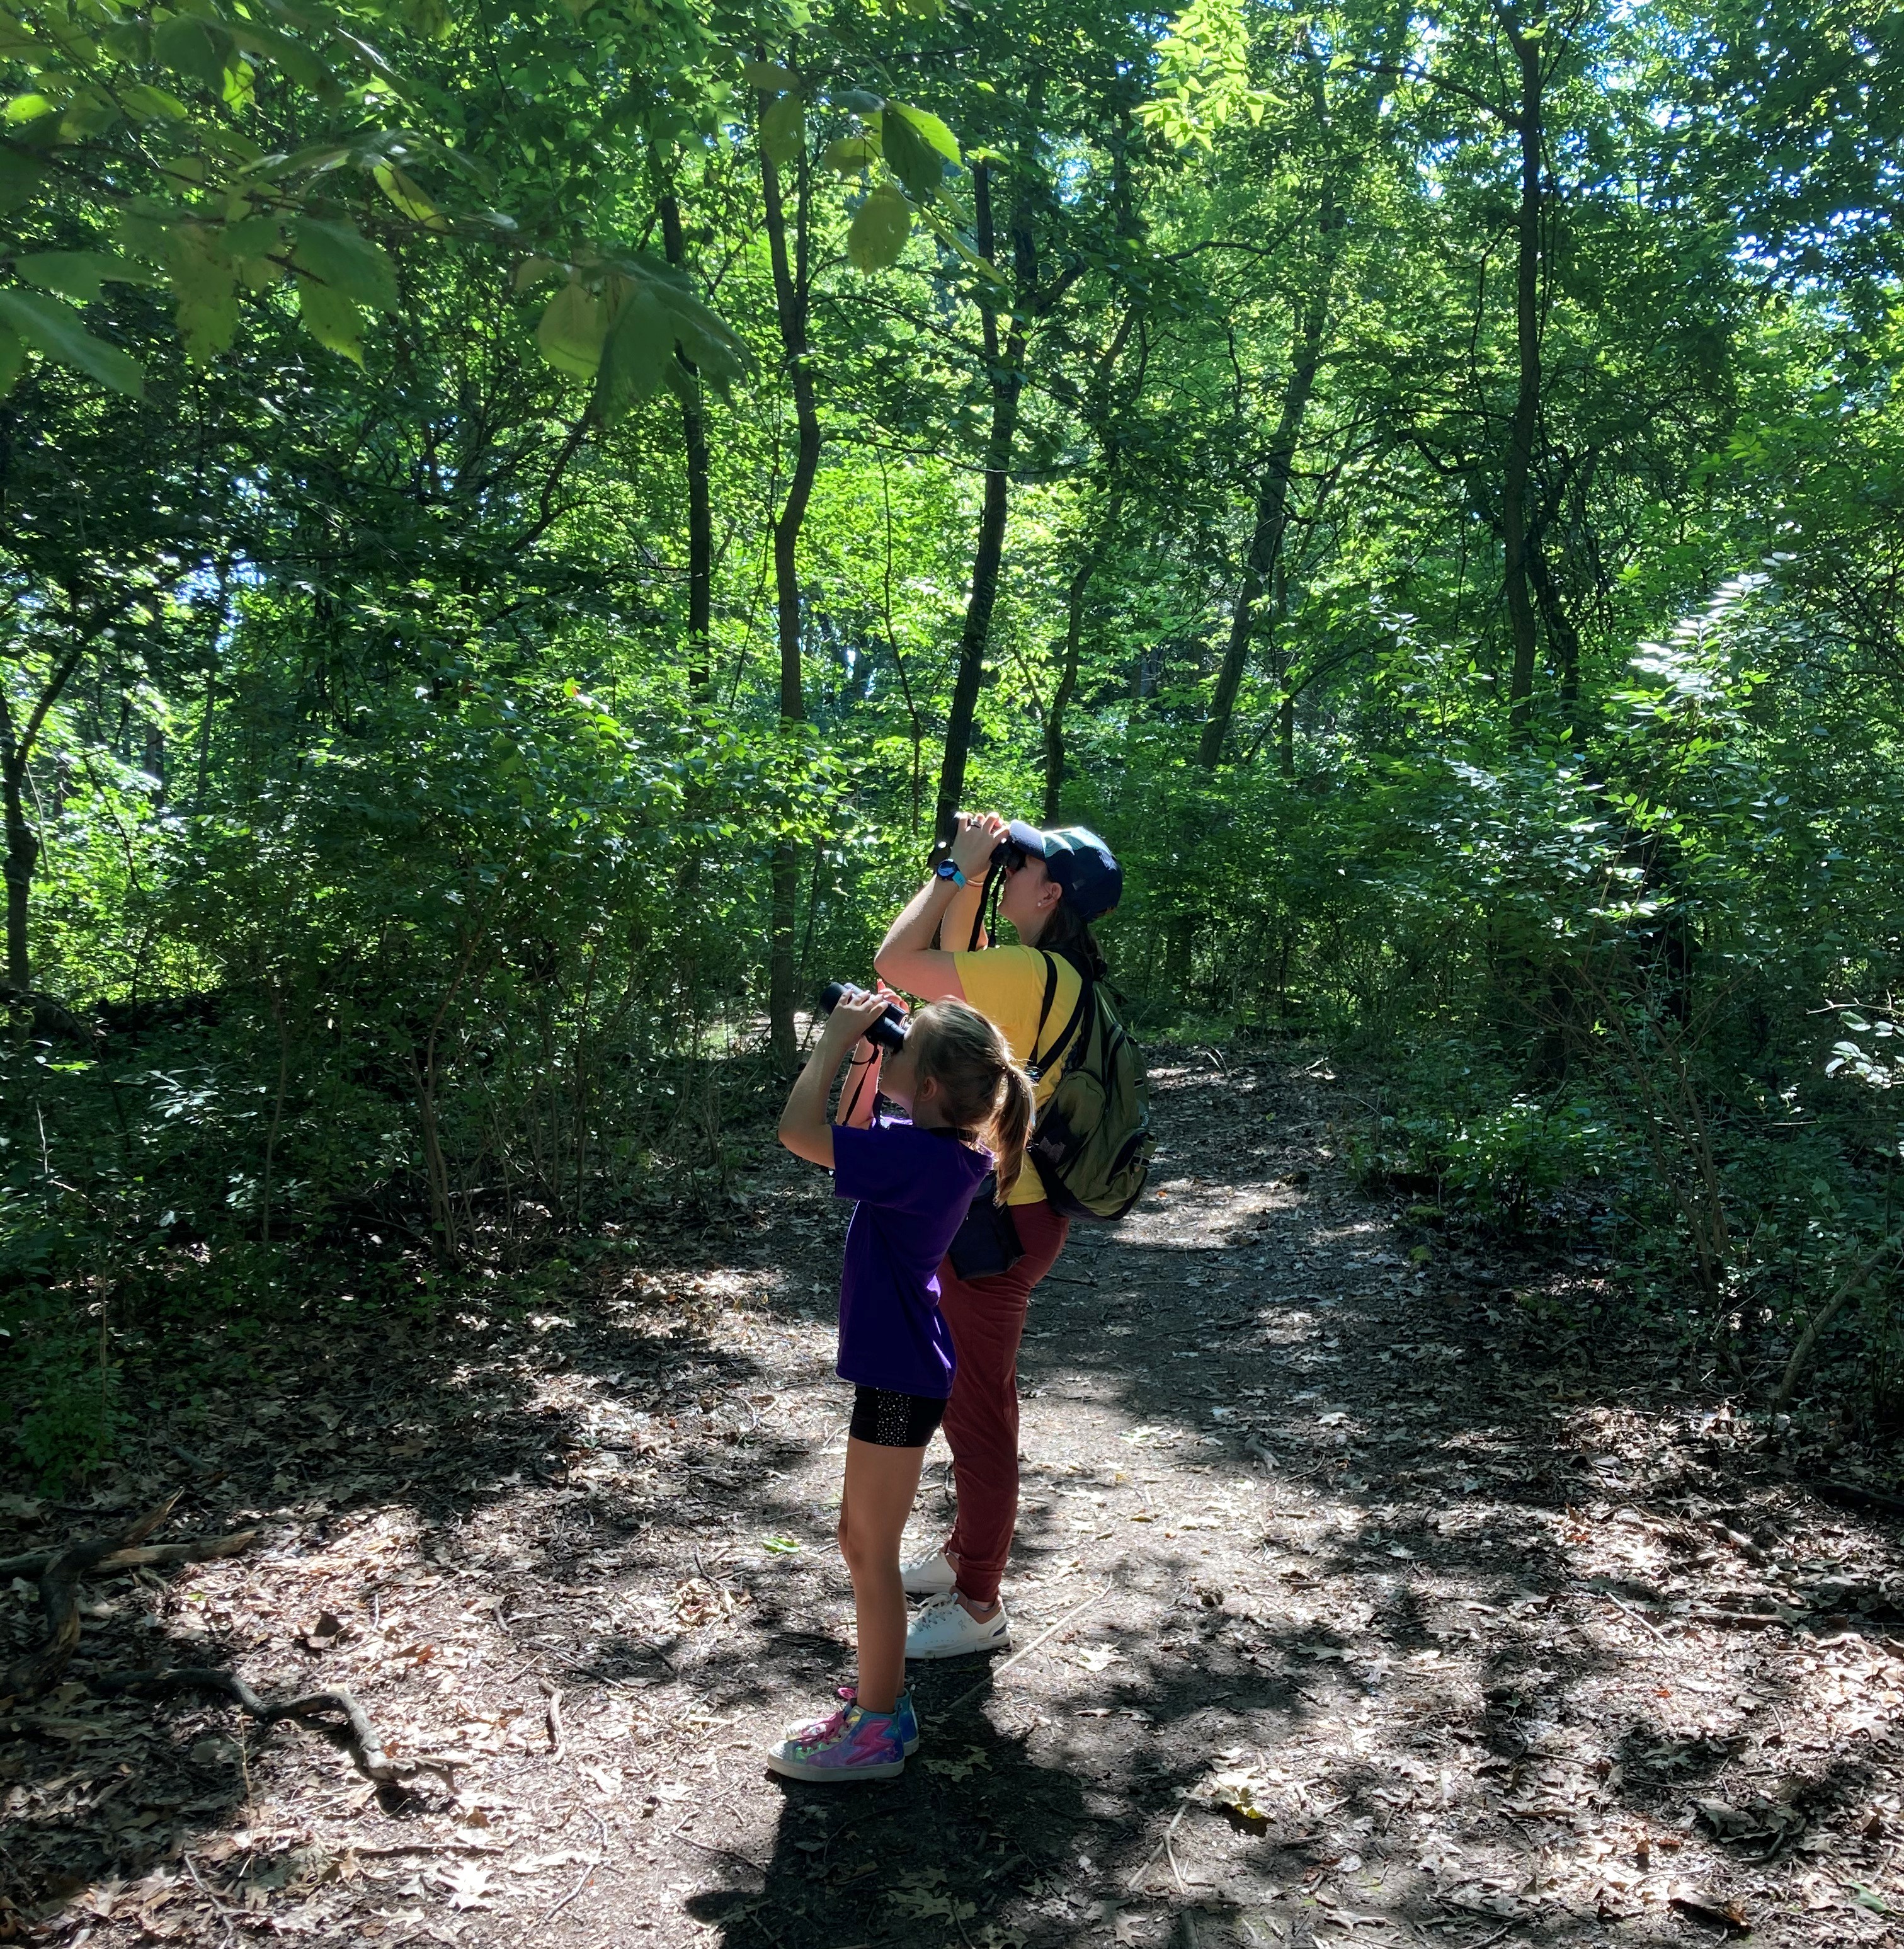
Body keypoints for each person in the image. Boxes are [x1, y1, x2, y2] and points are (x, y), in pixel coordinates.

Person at [763, 983, 1034, 1782]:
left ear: (928, 1089)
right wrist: (871, 1050)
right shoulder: (928, 1146)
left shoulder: (919, 1157)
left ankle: (877, 1727)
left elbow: (796, 1131)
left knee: (869, 1552)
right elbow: (844, 1129)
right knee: (859, 1541)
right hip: (898, 1367)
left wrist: (836, 1041)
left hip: (899, 1376)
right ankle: (878, 1699)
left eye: (902, 1050)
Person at [874, 811, 1124, 1659]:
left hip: (997, 1227)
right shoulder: (1051, 971)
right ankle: (961, 1558)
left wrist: (952, 867)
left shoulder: (1027, 970)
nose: (1007, 866)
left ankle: (979, 1603)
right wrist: (974, 878)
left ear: (1049, 892)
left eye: (1021, 863)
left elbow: (897, 966)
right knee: (972, 1403)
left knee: (980, 1419)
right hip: (1007, 1214)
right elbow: (945, 983)